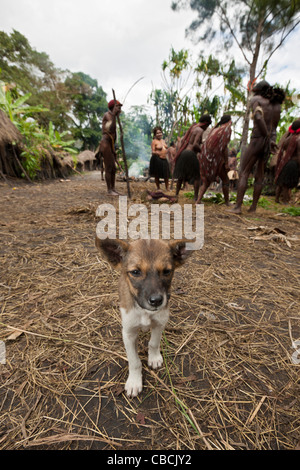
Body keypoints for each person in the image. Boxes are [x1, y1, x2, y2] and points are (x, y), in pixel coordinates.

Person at [231, 81, 285, 214]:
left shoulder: (256, 99)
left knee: (244, 171)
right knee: (259, 175)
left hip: (258, 139)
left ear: (258, 90)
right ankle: (253, 208)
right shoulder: (277, 105)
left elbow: (258, 117)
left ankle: (237, 207)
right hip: (269, 141)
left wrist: (266, 136)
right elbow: (275, 127)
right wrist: (271, 140)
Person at [173, 114, 212, 200]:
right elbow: (195, 145)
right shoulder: (200, 130)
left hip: (183, 153)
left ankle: (176, 194)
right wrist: (202, 151)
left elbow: (186, 141)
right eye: (208, 126)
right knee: (197, 177)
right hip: (190, 154)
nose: (206, 128)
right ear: (206, 124)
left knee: (181, 176)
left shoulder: (193, 128)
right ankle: (195, 197)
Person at [196, 115, 232, 205]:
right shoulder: (226, 130)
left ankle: (198, 200)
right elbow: (224, 148)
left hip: (206, 157)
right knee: (226, 180)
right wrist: (226, 163)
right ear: (229, 121)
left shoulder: (215, 130)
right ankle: (227, 202)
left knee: (206, 181)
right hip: (215, 158)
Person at [98, 99, 123, 195]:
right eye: (118, 107)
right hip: (106, 144)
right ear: (113, 107)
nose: (120, 109)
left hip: (111, 144)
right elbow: (110, 128)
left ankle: (113, 188)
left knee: (113, 168)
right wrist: (114, 115)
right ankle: (109, 190)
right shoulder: (108, 115)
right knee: (109, 167)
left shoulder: (113, 116)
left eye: (120, 108)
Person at [274, 119, 300, 204]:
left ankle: (277, 199)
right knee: (287, 184)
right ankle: (285, 201)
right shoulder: (298, 139)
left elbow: (282, 151)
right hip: (292, 164)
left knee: (280, 182)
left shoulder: (287, 139)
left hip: (283, 162)